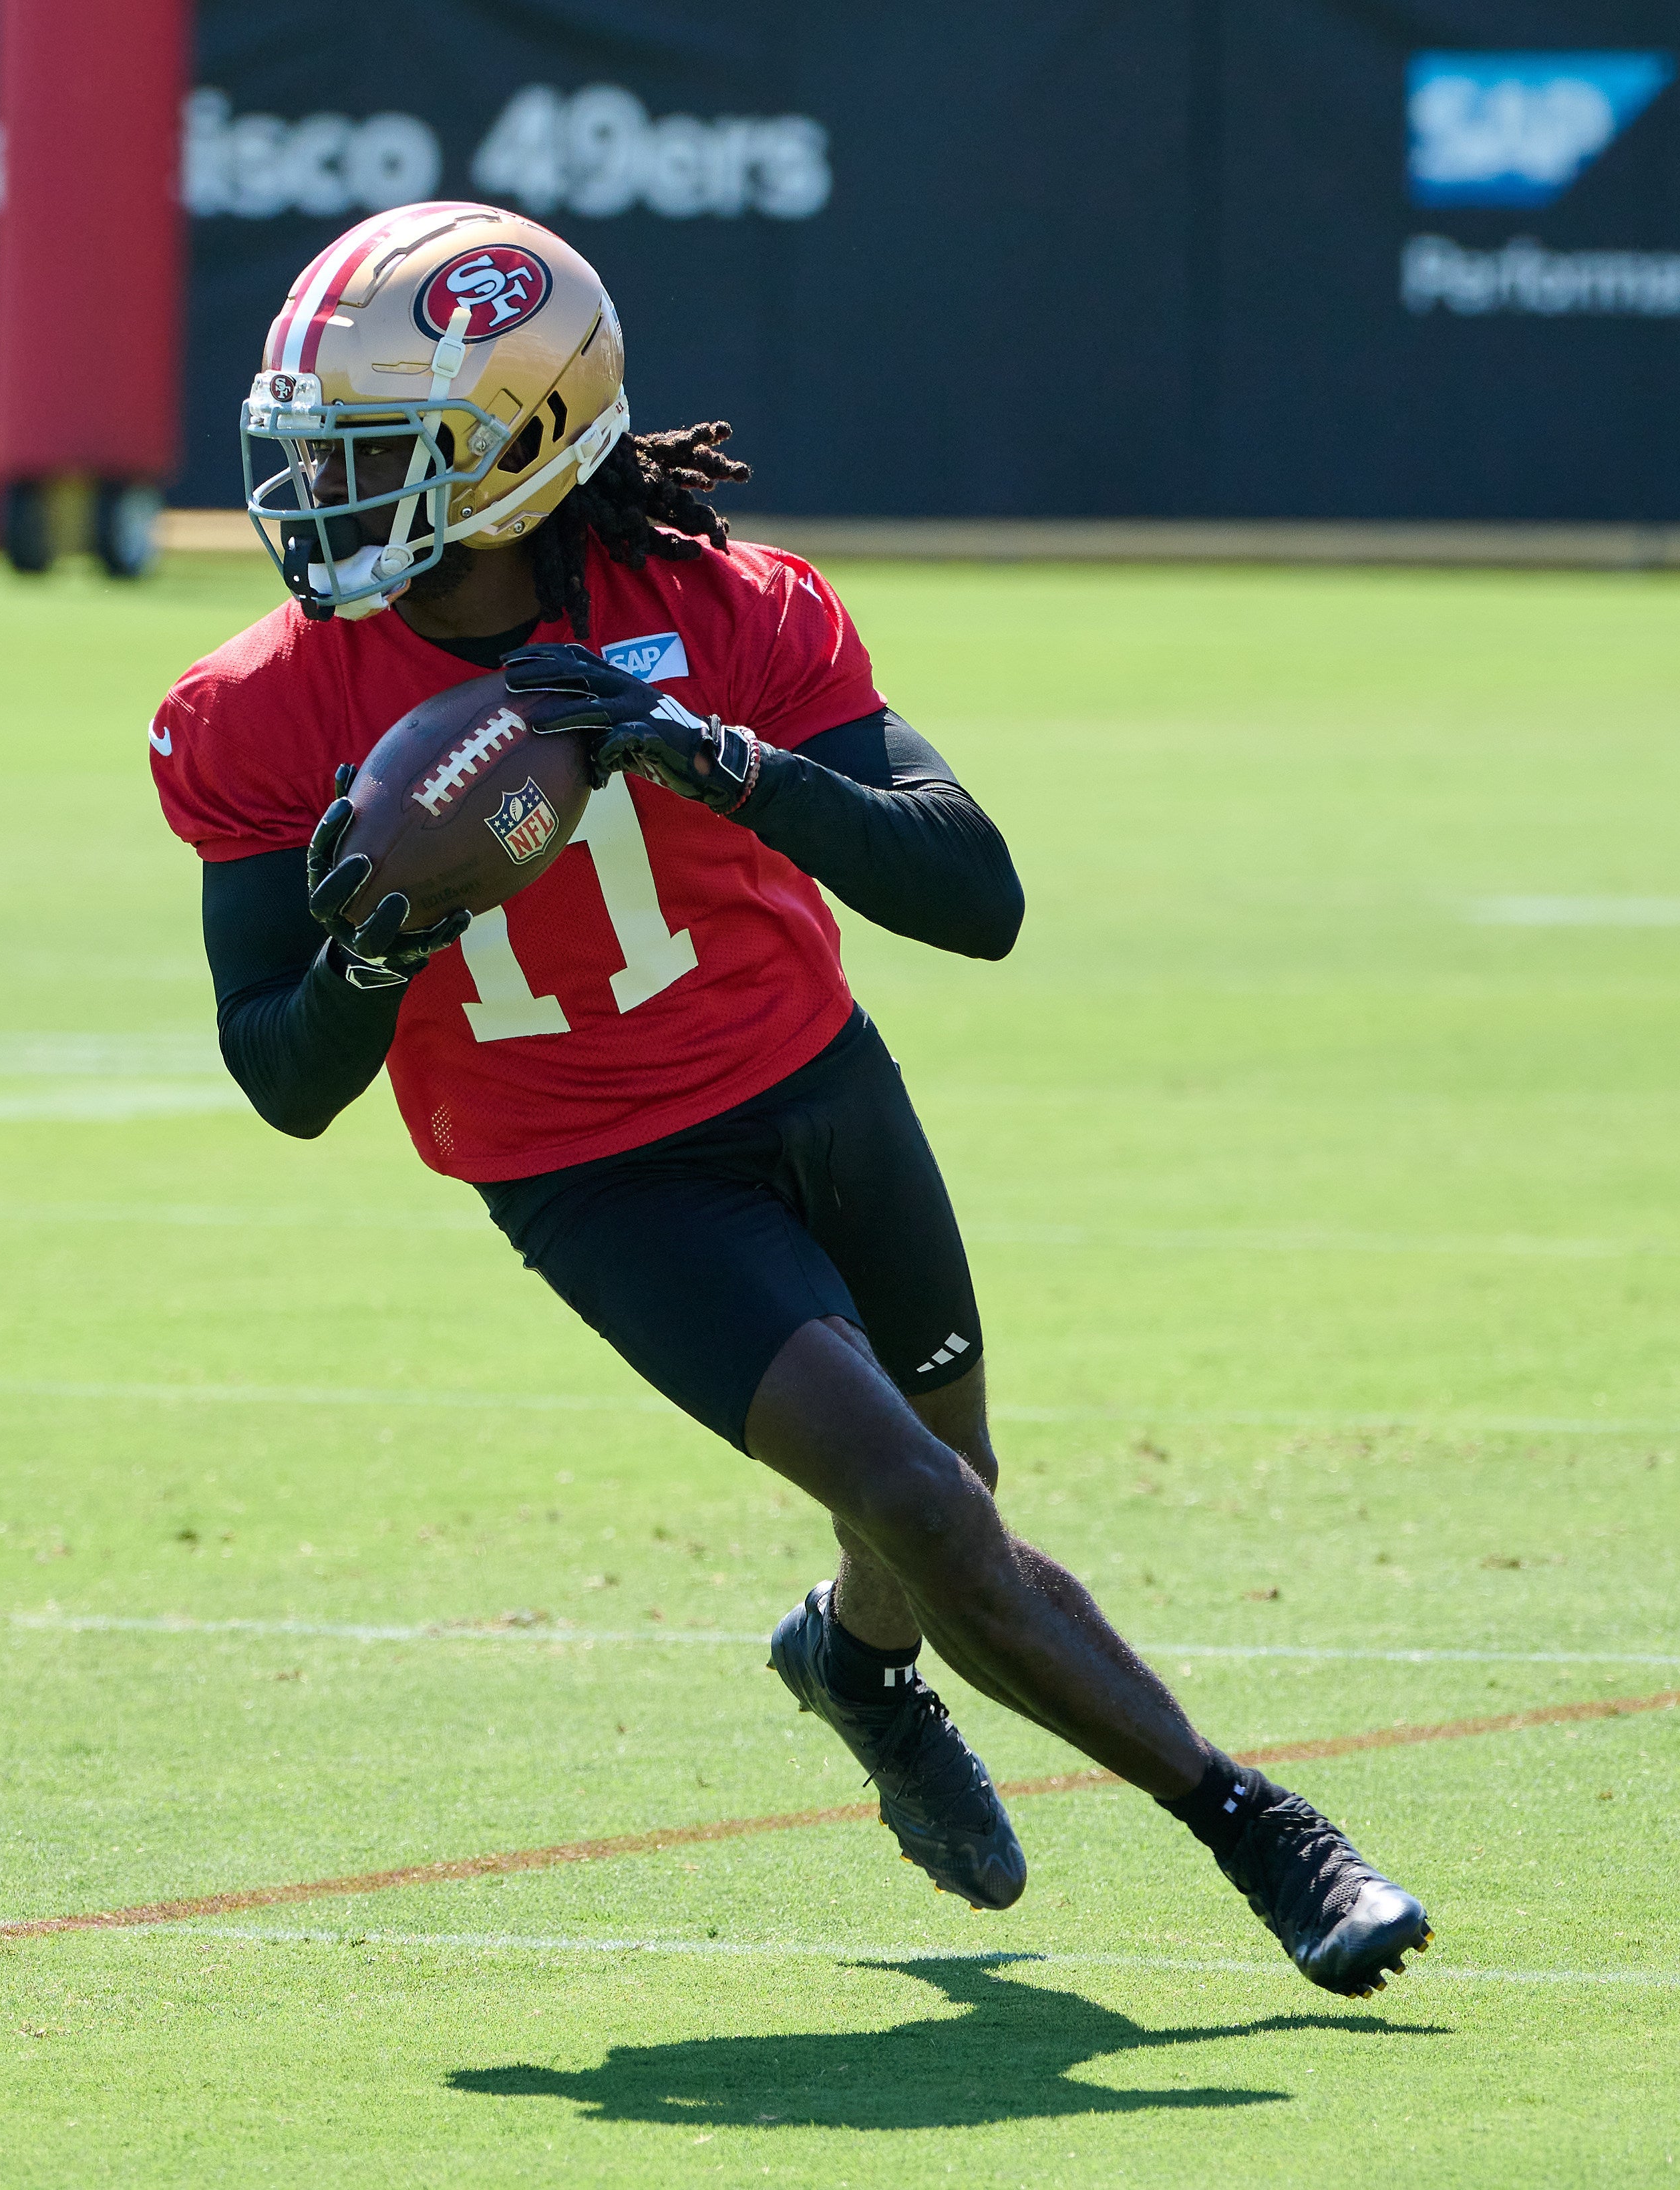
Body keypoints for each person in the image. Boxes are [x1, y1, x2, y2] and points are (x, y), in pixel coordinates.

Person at [148, 202, 1430, 1996]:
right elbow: (279, 1079)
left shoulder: (725, 612)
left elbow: (970, 899)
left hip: (816, 1092)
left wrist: (700, 755)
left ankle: (851, 1661)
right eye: (308, 455)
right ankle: (1262, 1830)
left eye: (373, 459)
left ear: (522, 447)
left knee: (942, 1500)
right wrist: (378, 945)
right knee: (921, 1499)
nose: (319, 503)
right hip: (593, 1172)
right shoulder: (254, 713)